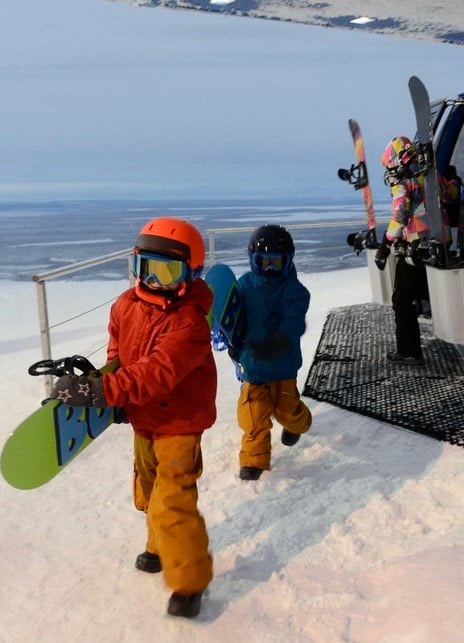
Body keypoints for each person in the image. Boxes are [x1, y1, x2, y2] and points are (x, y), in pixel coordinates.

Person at [53, 217, 216, 620]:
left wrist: (102, 393)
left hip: (180, 420)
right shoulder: (127, 304)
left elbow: (158, 372)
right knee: (146, 489)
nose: (156, 281)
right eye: (147, 268)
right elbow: (118, 350)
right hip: (143, 415)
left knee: (172, 500)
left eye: (168, 271)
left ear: (190, 274)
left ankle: (189, 581)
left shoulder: (190, 322)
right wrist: (111, 383)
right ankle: (160, 545)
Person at [233, 224, 312, 481]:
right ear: (253, 260)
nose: (270, 267)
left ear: (287, 262)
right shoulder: (244, 286)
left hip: (283, 366)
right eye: (264, 261)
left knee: (287, 410)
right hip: (253, 367)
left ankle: (298, 424)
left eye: (276, 262)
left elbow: (294, 322)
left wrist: (276, 342)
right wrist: (232, 341)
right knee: (253, 416)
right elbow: (232, 317)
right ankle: (254, 460)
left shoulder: (294, 291)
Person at [374, 135, 433, 365]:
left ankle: (409, 351)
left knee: (401, 299)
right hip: (437, 244)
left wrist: (385, 244)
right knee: (426, 293)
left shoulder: (403, 186)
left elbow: (400, 217)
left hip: (415, 249)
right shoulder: (429, 177)